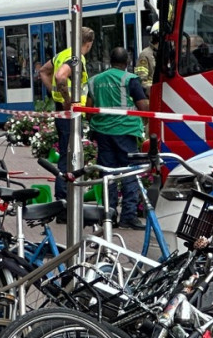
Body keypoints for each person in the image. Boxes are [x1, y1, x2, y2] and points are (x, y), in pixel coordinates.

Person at [89, 47, 151, 228]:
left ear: (110, 60)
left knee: (108, 174)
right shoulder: (130, 79)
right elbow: (143, 106)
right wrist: (144, 122)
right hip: (125, 132)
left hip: (103, 133)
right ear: (127, 62)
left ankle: (109, 216)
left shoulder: (95, 80)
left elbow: (89, 109)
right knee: (129, 173)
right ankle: (128, 217)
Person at [49, 26, 95, 201]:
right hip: (69, 115)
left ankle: (65, 198)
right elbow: (61, 77)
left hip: (62, 114)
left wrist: (56, 97)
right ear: (88, 43)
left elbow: (45, 72)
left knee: (66, 155)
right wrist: (67, 100)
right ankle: (64, 199)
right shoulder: (76, 58)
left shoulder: (63, 54)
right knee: (69, 159)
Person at [134, 23, 159, 89]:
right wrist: (154, 89)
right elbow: (142, 80)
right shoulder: (145, 55)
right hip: (153, 94)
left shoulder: (164, 53)